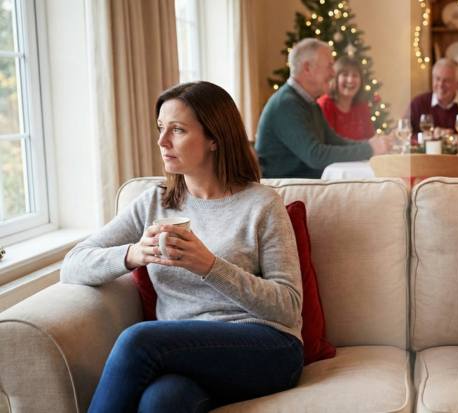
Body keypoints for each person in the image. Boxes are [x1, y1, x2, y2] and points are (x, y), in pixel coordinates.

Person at [61, 81, 305, 412]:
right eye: (160, 128)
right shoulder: (154, 203)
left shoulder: (262, 204)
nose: (162, 141)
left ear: (214, 139)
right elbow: (72, 264)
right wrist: (133, 254)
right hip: (186, 354)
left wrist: (209, 266)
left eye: (177, 130)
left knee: (137, 340)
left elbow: (288, 307)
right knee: (160, 401)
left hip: (267, 348)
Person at [255, 38, 391, 178]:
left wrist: (372, 145)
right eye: (329, 66)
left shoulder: (309, 103)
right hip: (287, 188)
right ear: (307, 68)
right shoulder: (286, 104)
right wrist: (369, 149)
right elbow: (316, 156)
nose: (333, 73)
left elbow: (336, 142)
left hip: (305, 184)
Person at [317, 56, 375, 141]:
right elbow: (326, 143)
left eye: (355, 75)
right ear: (335, 78)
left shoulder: (362, 106)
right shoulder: (325, 105)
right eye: (345, 75)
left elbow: (371, 139)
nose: (350, 80)